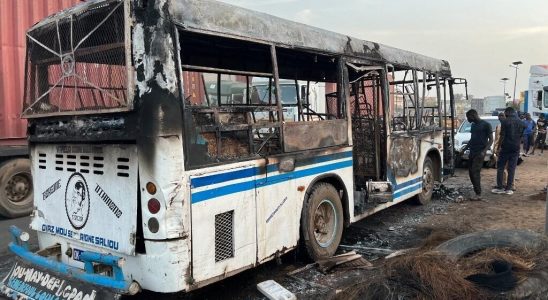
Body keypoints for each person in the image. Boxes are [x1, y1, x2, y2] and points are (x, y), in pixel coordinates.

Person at [492, 107, 525, 195]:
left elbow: (502, 136)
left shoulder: (505, 122)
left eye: (505, 113)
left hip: (505, 147)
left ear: (508, 112)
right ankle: (509, 188)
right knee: (512, 168)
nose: (505, 114)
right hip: (516, 148)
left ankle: (500, 187)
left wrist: (498, 148)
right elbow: (521, 136)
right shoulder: (521, 123)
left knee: (500, 167)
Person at [463, 109, 492, 201]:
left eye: (468, 117)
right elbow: (472, 139)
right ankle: (477, 190)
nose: (468, 119)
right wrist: (464, 149)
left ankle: (478, 194)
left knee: (475, 171)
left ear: (473, 115)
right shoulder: (473, 125)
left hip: (480, 152)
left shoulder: (486, 125)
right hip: (472, 151)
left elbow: (490, 140)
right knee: (471, 172)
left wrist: (483, 151)